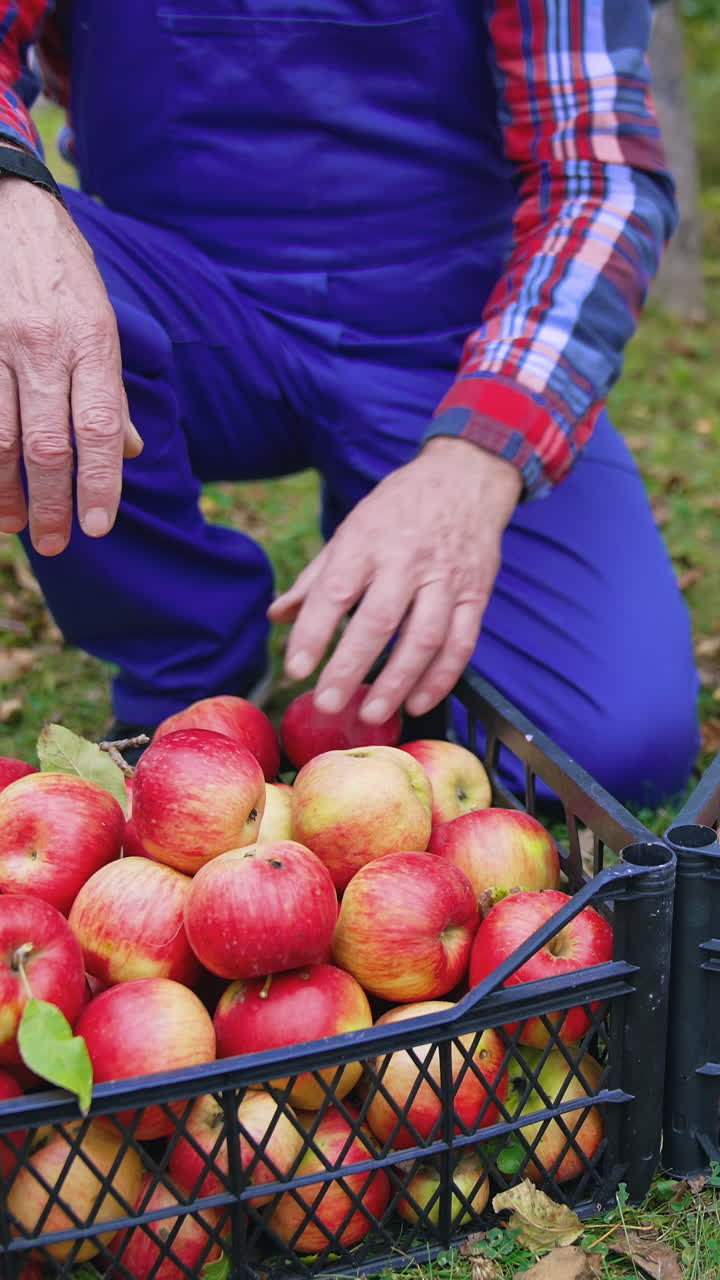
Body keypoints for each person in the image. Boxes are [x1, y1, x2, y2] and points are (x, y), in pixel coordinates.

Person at [0, 0, 699, 804]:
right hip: (176, 312)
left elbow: (599, 179)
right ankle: (189, 651)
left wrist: (478, 461)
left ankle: (396, 555)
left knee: (611, 753)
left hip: (451, 346)